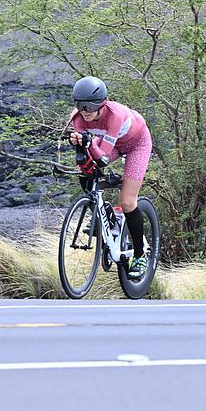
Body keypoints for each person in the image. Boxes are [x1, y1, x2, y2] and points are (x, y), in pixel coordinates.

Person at [67, 75, 152, 279]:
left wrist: (88, 142)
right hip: (108, 144)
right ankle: (104, 213)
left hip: (136, 145)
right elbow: (85, 156)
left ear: (101, 104)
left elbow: (103, 157)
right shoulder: (77, 118)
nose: (85, 112)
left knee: (127, 201)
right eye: (81, 106)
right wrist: (79, 143)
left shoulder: (114, 115)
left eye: (89, 107)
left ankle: (140, 255)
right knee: (85, 169)